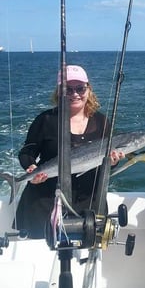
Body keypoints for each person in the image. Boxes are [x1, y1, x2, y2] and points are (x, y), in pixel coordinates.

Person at [14, 65, 123, 239]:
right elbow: (27, 152)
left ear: (88, 89)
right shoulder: (45, 120)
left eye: (80, 88)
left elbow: (108, 165)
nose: (75, 94)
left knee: (85, 257)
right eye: (68, 89)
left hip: (88, 204)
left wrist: (114, 161)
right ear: (59, 92)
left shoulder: (102, 122)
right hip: (45, 201)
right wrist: (30, 167)